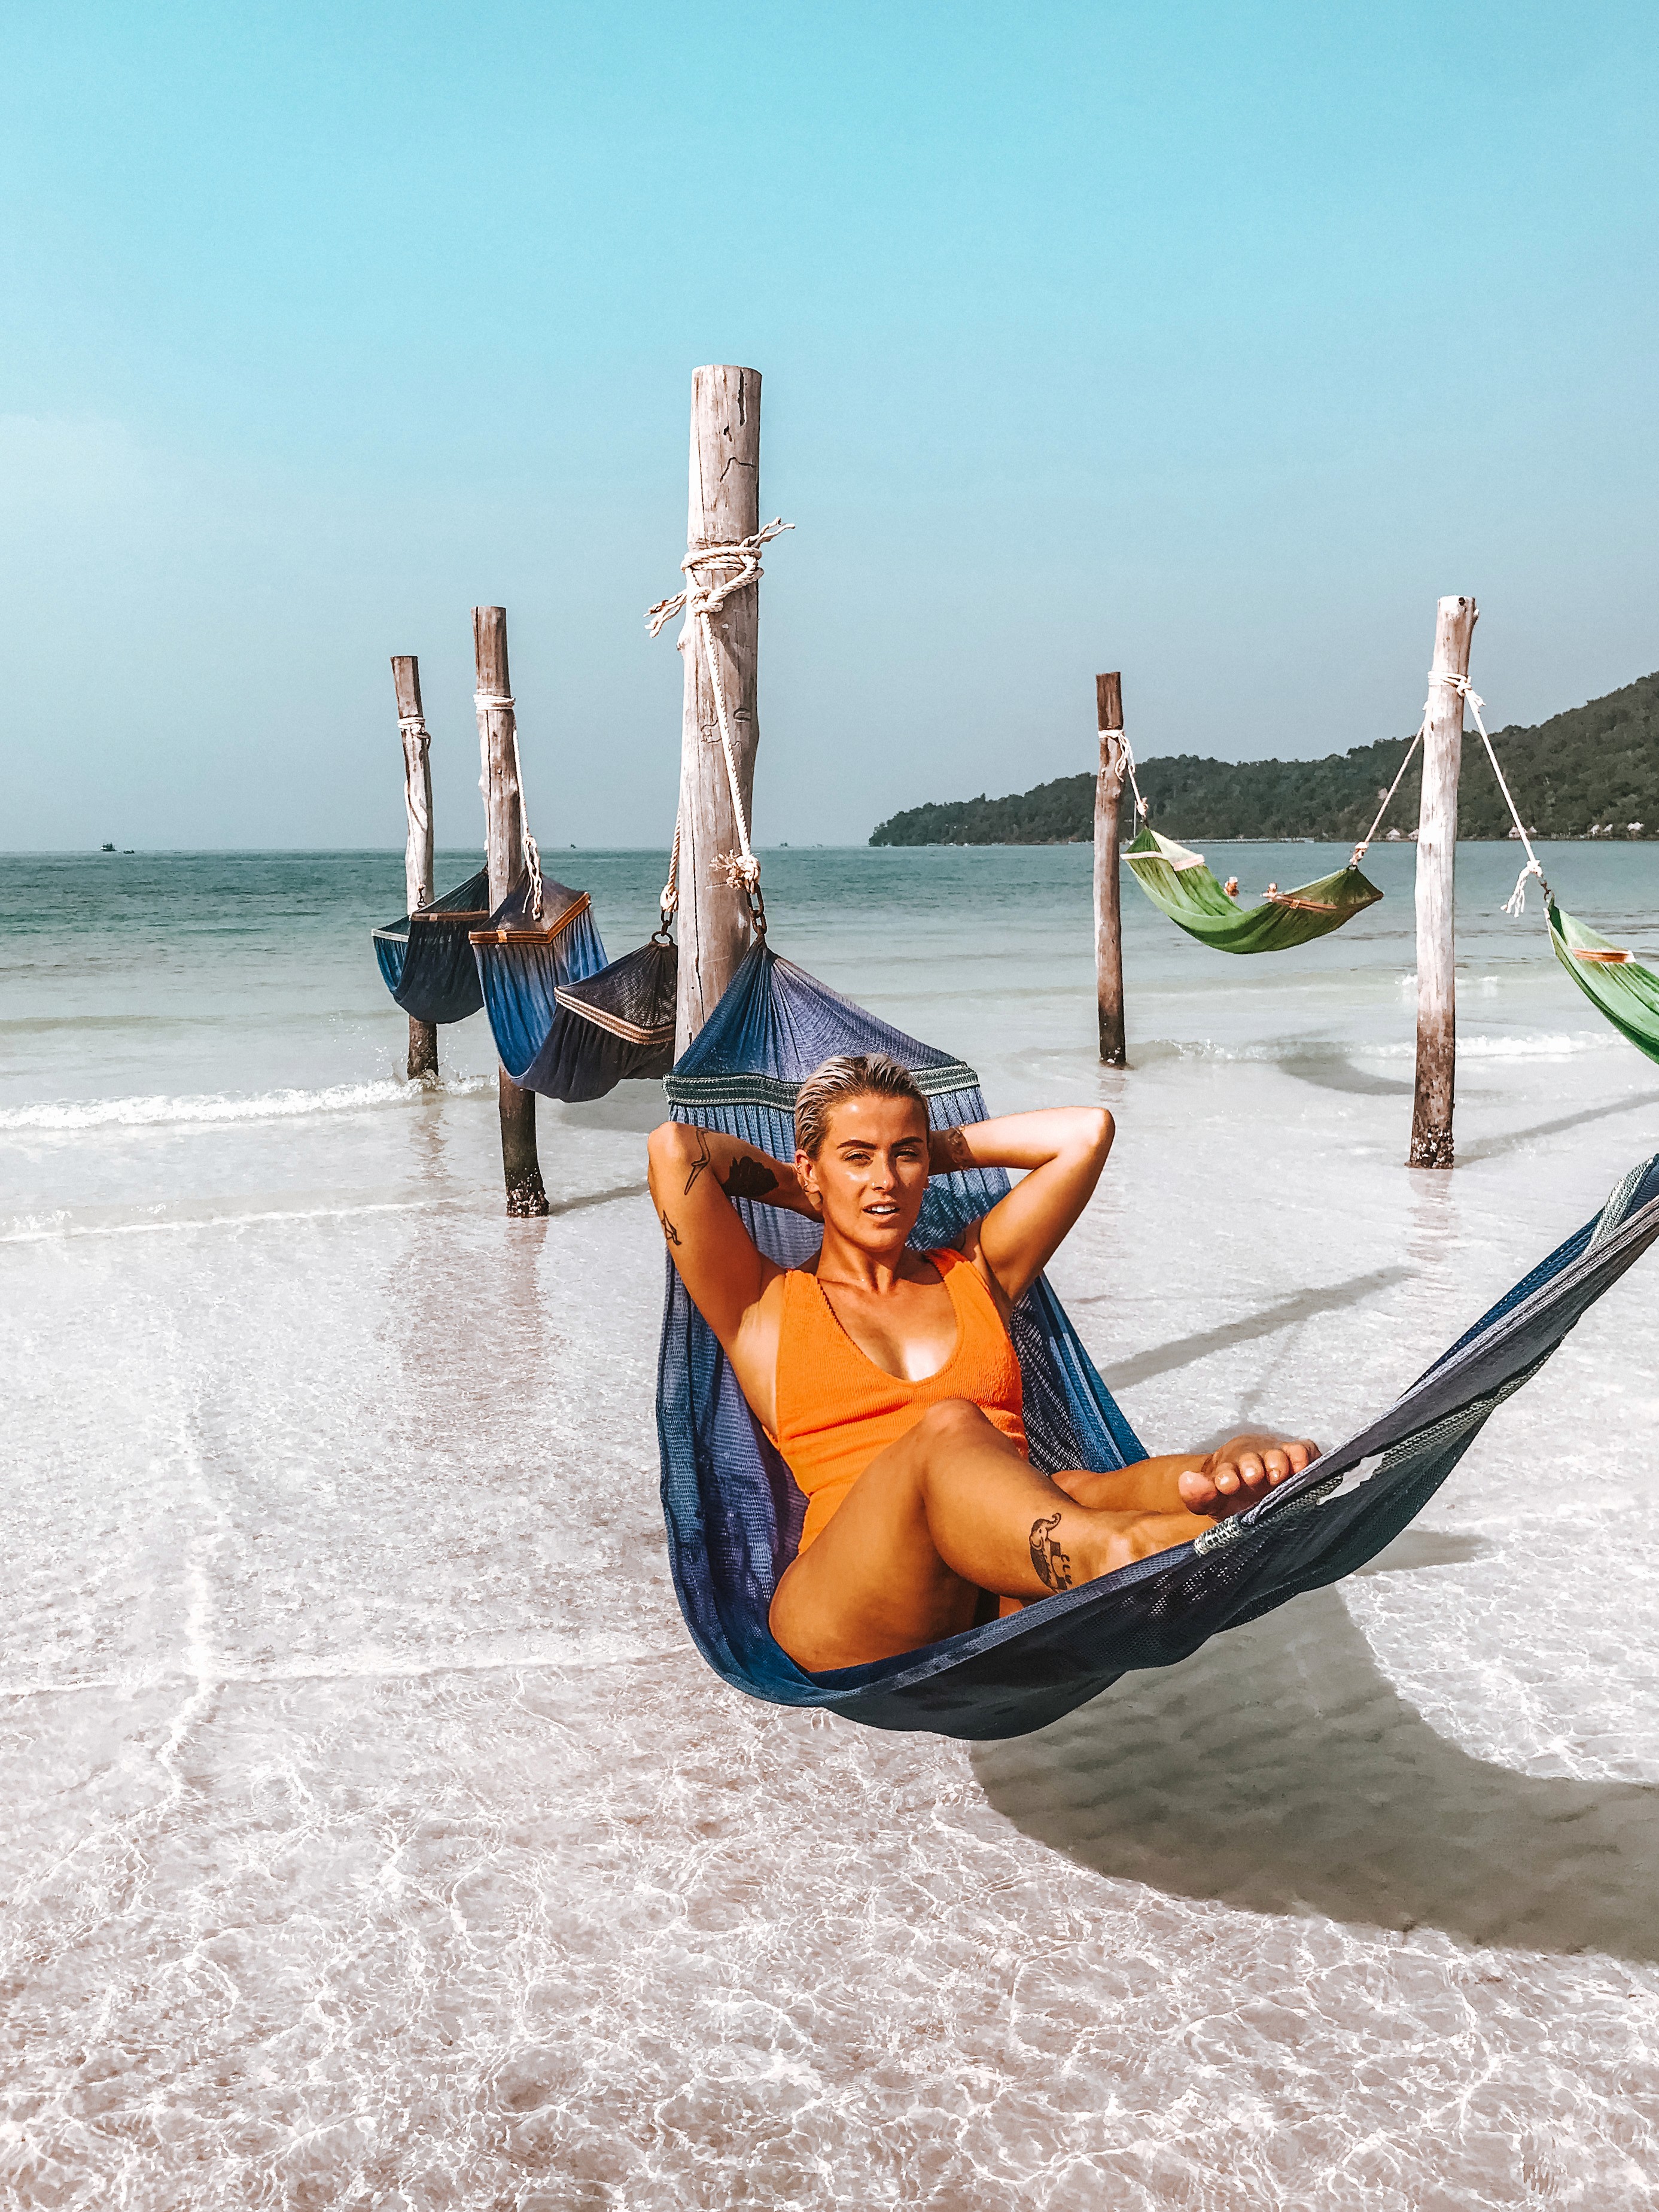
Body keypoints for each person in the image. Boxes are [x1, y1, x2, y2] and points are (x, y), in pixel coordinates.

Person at [647, 1054, 1317, 1673]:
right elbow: (675, 1150)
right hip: (847, 1608)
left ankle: (1232, 1488)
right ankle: (1127, 1554)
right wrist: (803, 1191)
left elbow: (1086, 1132)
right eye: (857, 1157)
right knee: (949, 1429)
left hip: (1002, 1568)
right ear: (809, 1167)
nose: (885, 1180)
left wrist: (918, 1150)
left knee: (1077, 1485)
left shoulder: (975, 1273)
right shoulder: (762, 1307)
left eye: (904, 1156)